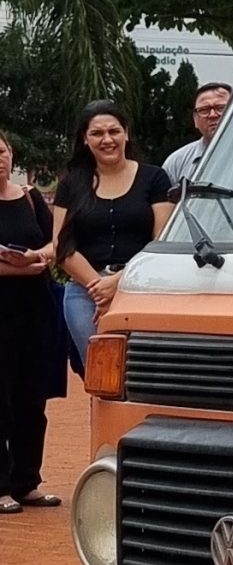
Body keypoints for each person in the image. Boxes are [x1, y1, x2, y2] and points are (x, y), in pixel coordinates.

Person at [54, 103, 173, 373]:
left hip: (141, 290)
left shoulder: (155, 178)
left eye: (113, 131)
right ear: (85, 139)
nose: (107, 139)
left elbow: (160, 243)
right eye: (97, 133)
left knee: (142, 373)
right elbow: (62, 245)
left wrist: (118, 283)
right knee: (102, 377)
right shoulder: (71, 183)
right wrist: (99, 288)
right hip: (84, 296)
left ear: (126, 134)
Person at [0, 131, 65, 514]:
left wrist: (35, 260)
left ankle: (28, 481)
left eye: (4, 151)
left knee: (32, 398)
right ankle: (1, 484)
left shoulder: (29, 197)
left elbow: (54, 246)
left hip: (35, 312)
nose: (0, 159)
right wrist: (26, 268)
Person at [160, 81, 231, 192]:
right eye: (204, 110)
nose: (212, 115)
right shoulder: (176, 162)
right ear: (195, 119)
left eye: (220, 108)